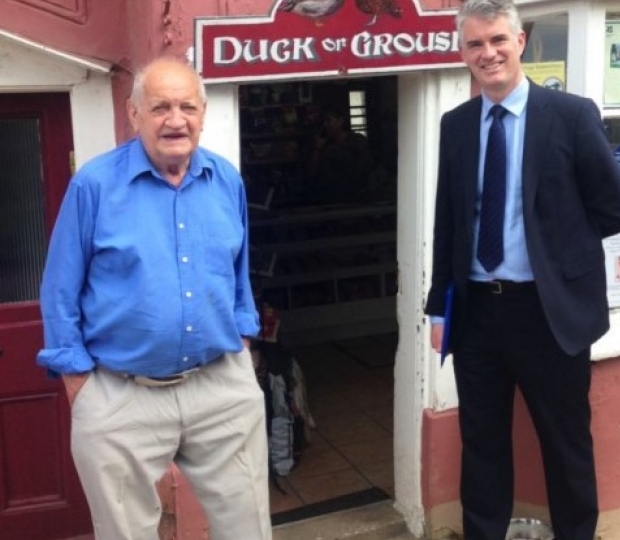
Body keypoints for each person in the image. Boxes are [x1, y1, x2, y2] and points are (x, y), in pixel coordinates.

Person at [423, 1, 620, 539]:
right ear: (463, 53)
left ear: (521, 42)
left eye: (497, 40)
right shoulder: (456, 125)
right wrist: (436, 307)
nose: (487, 53)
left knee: (565, 442)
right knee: (483, 441)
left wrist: (555, 256)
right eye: (475, 45)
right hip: (476, 312)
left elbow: (616, 209)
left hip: (549, 312)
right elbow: (449, 220)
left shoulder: (569, 115)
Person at [36, 57, 272, 540]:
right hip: (122, 393)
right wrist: (79, 382)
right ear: (134, 113)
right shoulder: (94, 185)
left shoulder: (225, 179)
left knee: (248, 528)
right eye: (160, 106)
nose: (176, 119)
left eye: (187, 106)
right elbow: (60, 287)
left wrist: (244, 340)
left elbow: (237, 270)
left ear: (203, 114)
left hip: (220, 387)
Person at [307, 107, 378, 204]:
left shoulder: (357, 140)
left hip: (356, 195)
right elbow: (312, 173)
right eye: (324, 121)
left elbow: (366, 168)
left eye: (329, 120)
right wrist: (317, 148)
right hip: (331, 196)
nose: (325, 125)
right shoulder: (323, 144)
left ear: (340, 121)